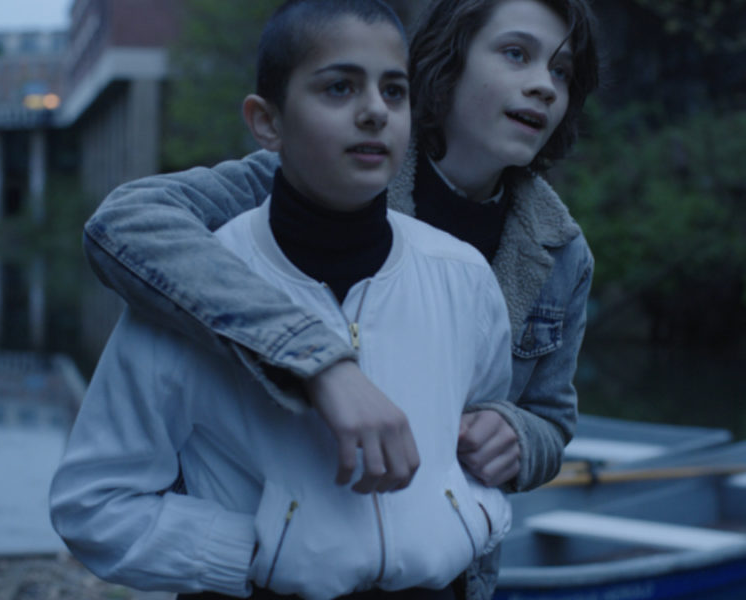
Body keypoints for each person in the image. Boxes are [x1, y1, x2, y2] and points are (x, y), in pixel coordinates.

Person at [80, 0, 600, 595]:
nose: (543, 85)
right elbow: (125, 225)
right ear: (447, 63)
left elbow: (550, 417)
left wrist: (517, 437)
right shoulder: (317, 170)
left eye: (561, 71)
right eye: (516, 54)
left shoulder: (561, 252)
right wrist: (317, 359)